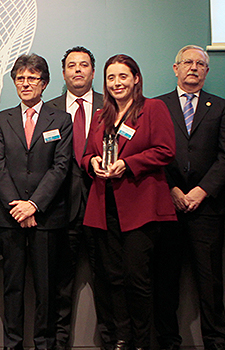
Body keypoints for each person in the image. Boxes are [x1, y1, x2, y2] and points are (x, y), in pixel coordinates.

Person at [83, 54, 176, 350]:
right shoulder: (101, 116)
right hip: (104, 207)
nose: (117, 83)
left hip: (142, 208)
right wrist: (93, 162)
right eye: (111, 78)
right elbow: (86, 155)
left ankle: (141, 340)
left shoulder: (153, 108)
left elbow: (166, 149)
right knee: (113, 278)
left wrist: (128, 163)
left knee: (137, 279)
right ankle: (121, 338)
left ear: (136, 78)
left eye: (123, 76)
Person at [0, 53, 72, 350]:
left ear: (44, 83)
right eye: (20, 78)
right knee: (12, 286)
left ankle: (44, 343)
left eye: (32, 78)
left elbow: (60, 167)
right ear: (14, 82)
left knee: (46, 288)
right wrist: (17, 206)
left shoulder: (61, 119)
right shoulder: (0, 120)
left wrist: (34, 205)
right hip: (9, 217)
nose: (25, 83)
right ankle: (12, 344)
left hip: (46, 216)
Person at [153, 45, 225, 350]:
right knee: (165, 282)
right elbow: (153, 155)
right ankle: (167, 341)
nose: (194, 68)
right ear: (175, 68)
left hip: (207, 209)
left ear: (207, 71)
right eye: (187, 62)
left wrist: (201, 191)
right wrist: (172, 189)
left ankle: (216, 342)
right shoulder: (157, 106)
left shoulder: (221, 107)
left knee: (210, 283)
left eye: (200, 64)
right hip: (167, 207)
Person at [43, 46, 111, 350]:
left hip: (104, 204)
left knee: (108, 280)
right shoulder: (50, 109)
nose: (78, 70)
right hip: (61, 208)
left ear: (94, 72)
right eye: (72, 65)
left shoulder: (110, 106)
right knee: (61, 284)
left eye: (84, 65)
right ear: (64, 73)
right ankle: (59, 342)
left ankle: (111, 340)